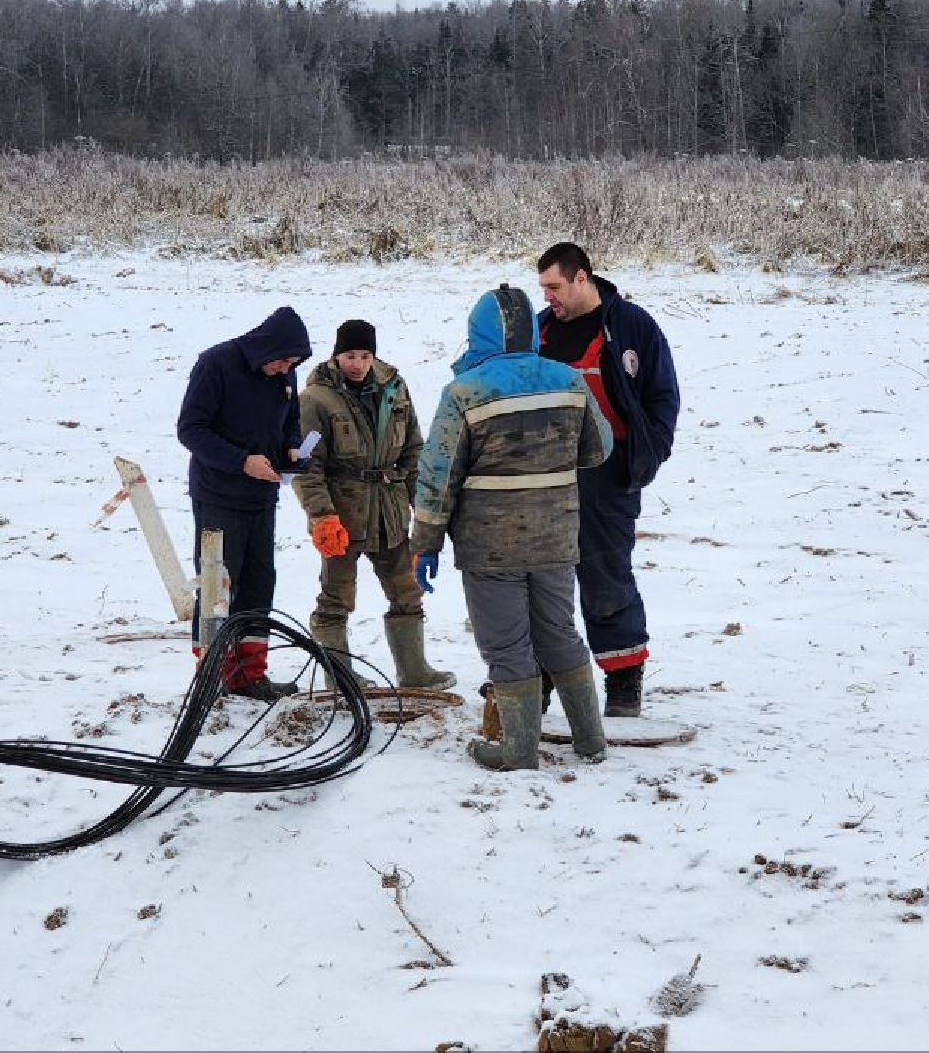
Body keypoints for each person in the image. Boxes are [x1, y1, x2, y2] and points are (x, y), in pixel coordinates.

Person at [410, 285, 612, 771]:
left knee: (506, 644)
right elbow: (598, 447)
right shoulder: (567, 380)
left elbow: (438, 478)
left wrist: (426, 544)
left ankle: (518, 750)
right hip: (558, 536)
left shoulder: (464, 392)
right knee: (560, 633)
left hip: (491, 545)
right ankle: (590, 739)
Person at [534, 242, 680, 717]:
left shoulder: (631, 326)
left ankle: (622, 684)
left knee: (604, 575)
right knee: (540, 580)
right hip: (544, 475)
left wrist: (647, 453)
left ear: (582, 278)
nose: (548, 296)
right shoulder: (538, 332)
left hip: (607, 475)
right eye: (543, 288)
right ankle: (536, 682)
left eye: (554, 286)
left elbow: (663, 396)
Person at [291, 319, 454, 691]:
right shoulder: (315, 400)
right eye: (350, 356)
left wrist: (421, 502)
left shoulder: (394, 389)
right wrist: (322, 515)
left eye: (365, 356)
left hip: (390, 513)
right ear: (336, 355)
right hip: (342, 517)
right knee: (336, 599)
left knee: (407, 593)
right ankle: (341, 678)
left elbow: (414, 449)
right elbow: (305, 464)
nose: (358, 364)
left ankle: (415, 671)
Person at [176, 306, 312, 701]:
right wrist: (241, 461)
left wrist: (290, 447)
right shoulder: (216, 364)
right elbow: (191, 429)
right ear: (266, 348)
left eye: (294, 363)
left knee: (258, 582)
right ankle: (211, 674)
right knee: (219, 586)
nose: (288, 368)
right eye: (284, 360)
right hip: (218, 496)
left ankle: (249, 674)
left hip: (262, 497)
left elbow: (290, 421)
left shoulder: (284, 371)